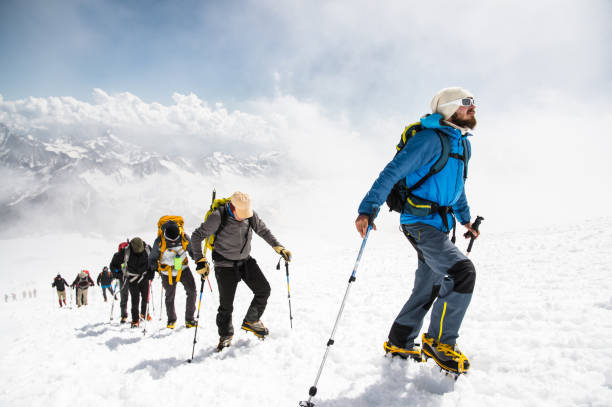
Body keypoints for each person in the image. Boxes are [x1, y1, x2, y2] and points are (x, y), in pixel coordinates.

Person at [355, 87, 479, 375]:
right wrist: (368, 208)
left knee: (430, 285)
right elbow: (391, 172)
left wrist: (466, 220)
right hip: (419, 223)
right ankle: (439, 343)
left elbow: (457, 189)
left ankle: (400, 342)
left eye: (474, 102)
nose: (473, 107)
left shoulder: (462, 144)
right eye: (466, 102)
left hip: (441, 224)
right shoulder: (428, 139)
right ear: (448, 108)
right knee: (462, 272)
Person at [191, 191, 292, 351]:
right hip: (224, 265)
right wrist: (199, 260)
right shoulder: (218, 216)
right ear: (232, 207)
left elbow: (263, 231)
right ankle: (225, 335)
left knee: (263, 290)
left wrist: (278, 246)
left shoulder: (250, 215)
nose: (245, 217)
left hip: (245, 261)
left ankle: (251, 320)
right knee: (226, 306)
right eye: (241, 214)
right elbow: (196, 236)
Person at [149, 217, 197, 329]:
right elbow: (152, 258)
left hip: (182, 269)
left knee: (192, 292)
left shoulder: (184, 237)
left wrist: (199, 260)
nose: (173, 242)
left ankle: (189, 319)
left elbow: (192, 251)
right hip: (167, 272)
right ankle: (171, 320)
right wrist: (154, 267)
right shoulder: (159, 241)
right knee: (170, 297)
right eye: (170, 241)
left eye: (175, 240)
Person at [110, 237, 154, 327]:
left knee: (145, 298)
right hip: (132, 278)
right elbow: (113, 265)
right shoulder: (125, 251)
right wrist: (118, 274)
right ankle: (135, 320)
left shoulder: (147, 249)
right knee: (135, 299)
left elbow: (153, 261)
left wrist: (151, 272)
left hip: (144, 276)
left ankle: (144, 314)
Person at [109, 241, 130, 323]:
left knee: (124, 297)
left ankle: (124, 316)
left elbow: (112, 266)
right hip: (129, 277)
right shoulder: (118, 256)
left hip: (123, 278)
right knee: (133, 297)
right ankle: (126, 315)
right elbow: (112, 267)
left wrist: (117, 273)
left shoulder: (117, 255)